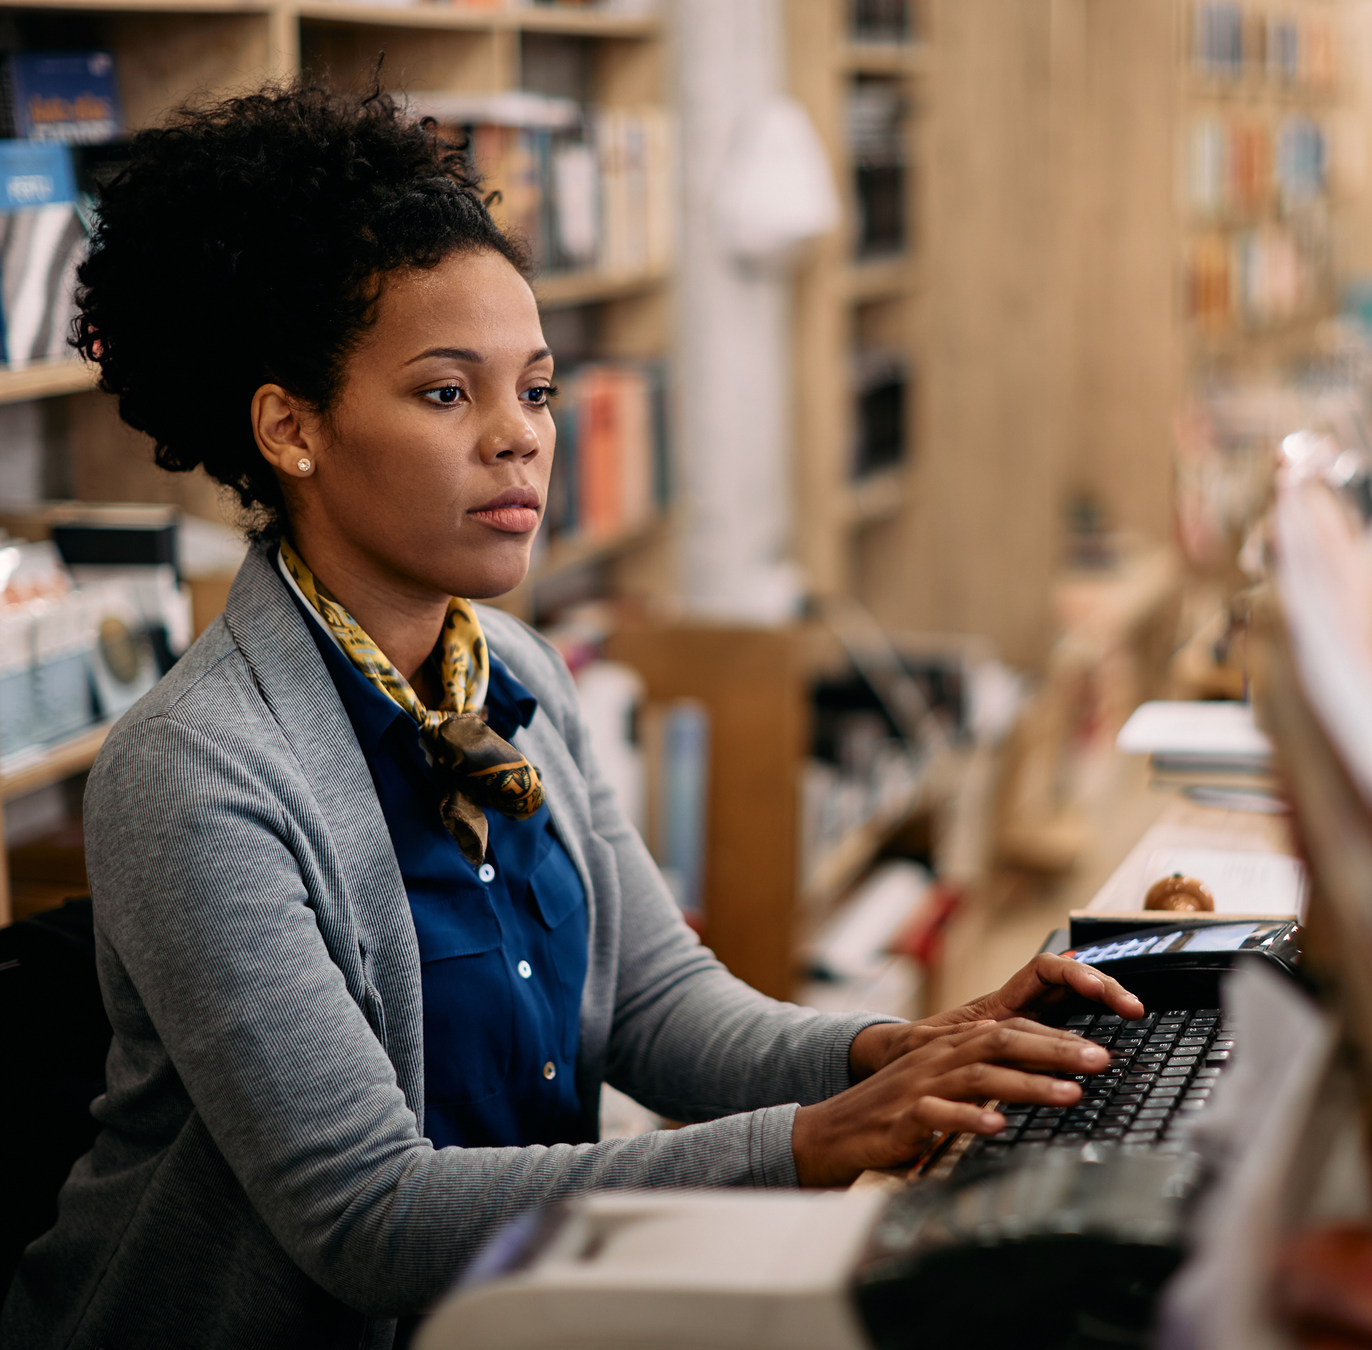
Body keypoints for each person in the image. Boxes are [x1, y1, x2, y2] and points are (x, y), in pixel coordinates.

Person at [0, 84, 1142, 1350]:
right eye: (447, 394)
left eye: (536, 391)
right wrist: (821, 1140)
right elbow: (367, 1215)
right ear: (292, 429)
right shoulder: (195, 771)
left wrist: (902, 1047)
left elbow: (659, 1012)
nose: (521, 441)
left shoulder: (516, 672)